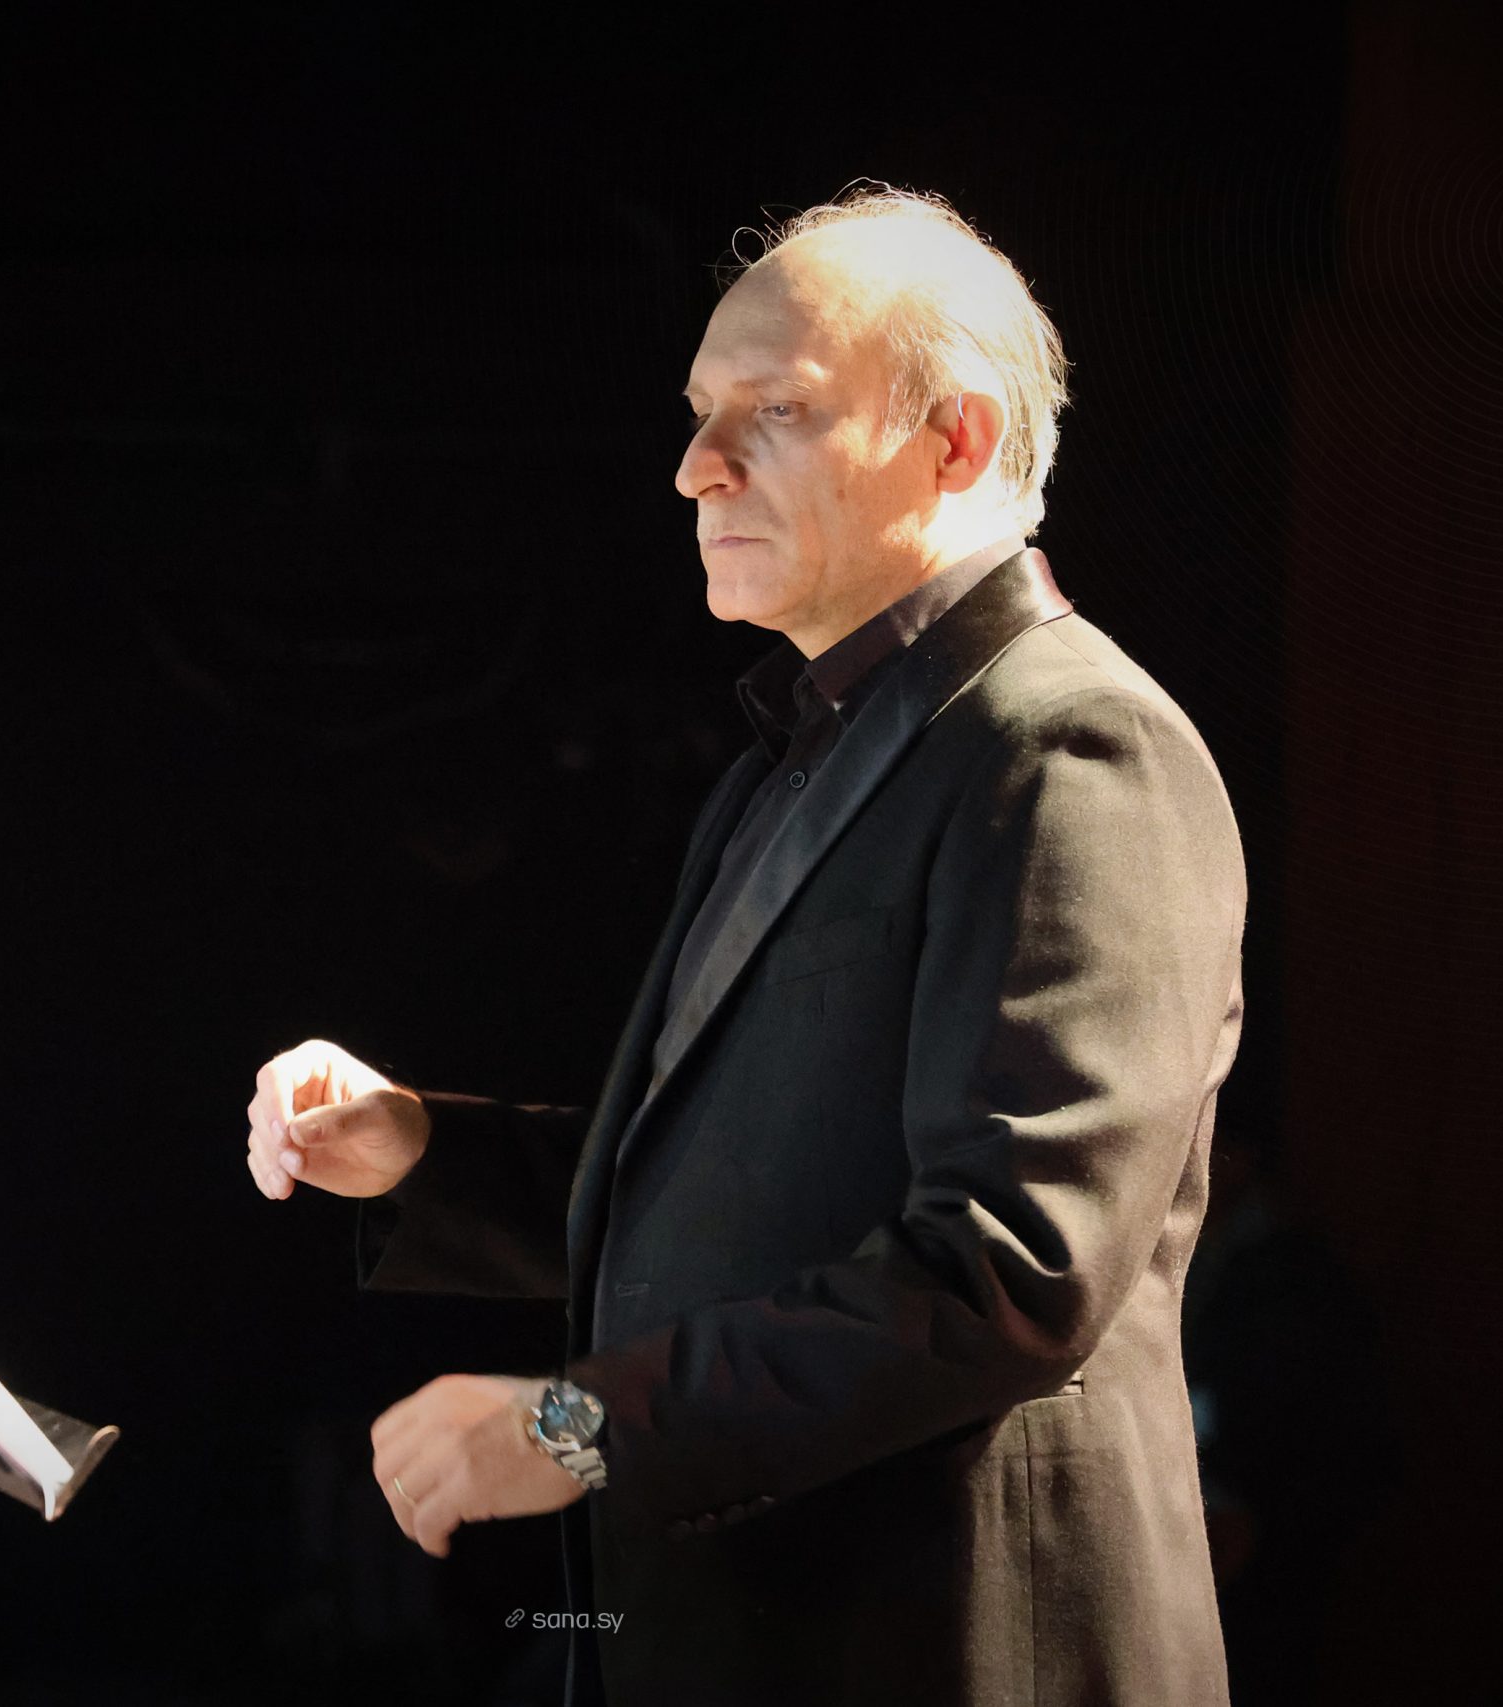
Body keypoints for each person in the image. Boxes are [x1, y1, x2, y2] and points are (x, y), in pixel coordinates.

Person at [241, 187, 1247, 1705]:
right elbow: (743, 1200)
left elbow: (1011, 1269)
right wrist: (422, 1153)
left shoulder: (1074, 748)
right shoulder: (800, 761)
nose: (696, 466)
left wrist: (577, 1427)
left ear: (956, 442)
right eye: (701, 415)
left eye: (772, 412)